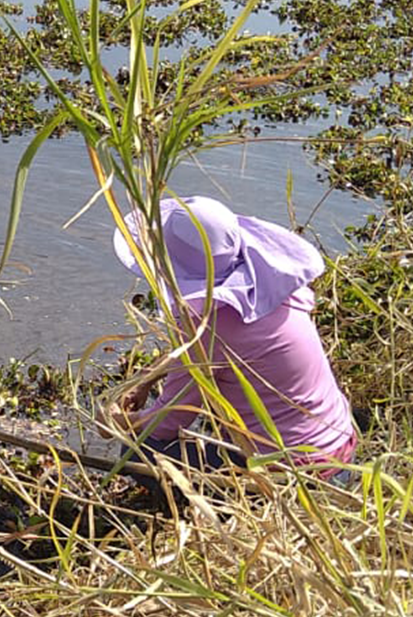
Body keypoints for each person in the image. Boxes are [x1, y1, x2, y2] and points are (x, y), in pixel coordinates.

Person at [107, 196, 357, 482]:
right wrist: (147, 379)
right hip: (340, 447)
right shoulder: (274, 287)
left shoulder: (208, 328)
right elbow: (203, 354)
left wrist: (121, 423)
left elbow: (167, 423)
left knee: (139, 451)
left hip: (294, 475)